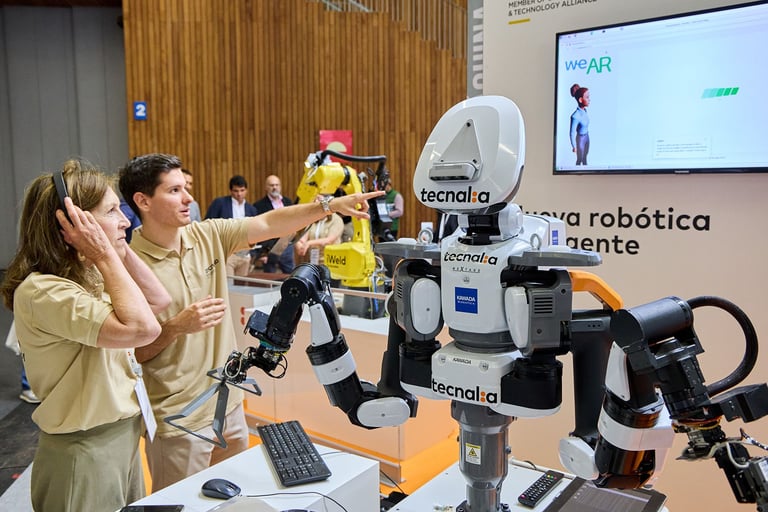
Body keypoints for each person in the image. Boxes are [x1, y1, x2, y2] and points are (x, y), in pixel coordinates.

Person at [118, 153, 384, 491]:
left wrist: (328, 206)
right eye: (174, 191)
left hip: (228, 405)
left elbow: (270, 223)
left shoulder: (207, 235)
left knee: (235, 499)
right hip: (178, 420)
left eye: (185, 188)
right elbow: (132, 355)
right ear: (143, 201)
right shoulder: (128, 267)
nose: (188, 198)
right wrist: (175, 327)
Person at [1, 159, 171, 512]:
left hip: (120, 437)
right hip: (85, 450)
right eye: (112, 212)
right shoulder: (45, 292)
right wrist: (105, 251)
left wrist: (116, 248)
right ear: (74, 222)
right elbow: (145, 329)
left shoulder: (90, 275)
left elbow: (158, 301)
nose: (126, 221)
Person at [205, 175, 259, 276]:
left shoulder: (251, 209)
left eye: (242, 190)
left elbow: (255, 231)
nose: (239, 194)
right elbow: (208, 225)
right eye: (236, 191)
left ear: (246, 190)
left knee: (242, 288)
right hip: (227, 253)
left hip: (245, 255)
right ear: (230, 190)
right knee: (228, 286)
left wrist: (252, 254)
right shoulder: (220, 203)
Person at [253, 174, 295, 273]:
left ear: (280, 186)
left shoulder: (288, 202)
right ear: (266, 187)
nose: (274, 187)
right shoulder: (259, 206)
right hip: (269, 247)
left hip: (286, 245)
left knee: (290, 275)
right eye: (271, 185)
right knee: (269, 277)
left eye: (277, 185)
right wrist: (262, 252)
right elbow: (259, 229)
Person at [569, 83, 590, 166]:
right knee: (579, 159)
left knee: (585, 157)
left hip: (587, 137)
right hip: (580, 139)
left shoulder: (585, 111)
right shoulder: (575, 116)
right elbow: (572, 132)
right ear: (580, 100)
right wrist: (574, 146)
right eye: (587, 97)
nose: (589, 100)